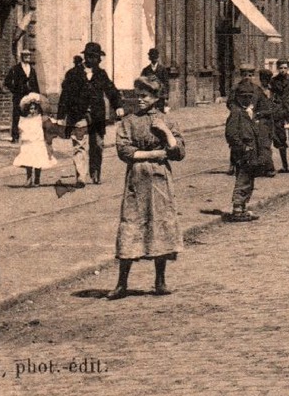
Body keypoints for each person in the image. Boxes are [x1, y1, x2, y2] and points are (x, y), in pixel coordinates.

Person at [107, 77, 183, 298]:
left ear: (156, 98)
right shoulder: (129, 122)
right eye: (138, 96)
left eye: (145, 96)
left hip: (160, 179)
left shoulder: (167, 121)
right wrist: (155, 154)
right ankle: (122, 283)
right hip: (137, 179)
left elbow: (179, 152)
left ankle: (160, 281)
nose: (140, 100)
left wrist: (165, 133)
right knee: (130, 224)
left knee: (160, 225)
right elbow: (124, 151)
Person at [57, 42, 123, 186]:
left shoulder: (101, 74)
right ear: (86, 57)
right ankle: (81, 177)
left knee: (97, 145)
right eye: (92, 57)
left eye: (98, 57)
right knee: (79, 145)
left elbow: (111, 90)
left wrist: (118, 105)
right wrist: (61, 116)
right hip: (78, 115)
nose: (96, 60)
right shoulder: (73, 74)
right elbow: (65, 95)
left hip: (97, 116)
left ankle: (95, 172)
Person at [224, 77, 270, 221]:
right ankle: (237, 208)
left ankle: (243, 207)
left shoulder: (247, 112)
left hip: (251, 152)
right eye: (244, 97)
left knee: (249, 179)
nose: (247, 100)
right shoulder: (236, 113)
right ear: (237, 98)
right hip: (242, 153)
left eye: (250, 97)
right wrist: (243, 147)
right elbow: (231, 134)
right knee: (243, 179)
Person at [12, 92, 56, 186]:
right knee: (28, 161)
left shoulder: (40, 119)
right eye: (31, 109)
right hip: (28, 143)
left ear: (38, 109)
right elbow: (21, 130)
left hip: (37, 142)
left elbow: (48, 127)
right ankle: (29, 178)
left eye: (34, 108)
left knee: (37, 161)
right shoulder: (24, 120)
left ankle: (37, 178)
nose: (32, 111)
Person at [2, 47, 40, 142]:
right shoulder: (15, 69)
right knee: (16, 116)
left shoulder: (32, 70)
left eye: (29, 56)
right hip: (18, 96)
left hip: (29, 96)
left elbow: (35, 83)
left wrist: (36, 95)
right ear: (22, 57)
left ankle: (28, 136)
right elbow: (7, 82)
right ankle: (15, 137)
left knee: (29, 115)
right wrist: (14, 90)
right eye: (25, 56)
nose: (27, 57)